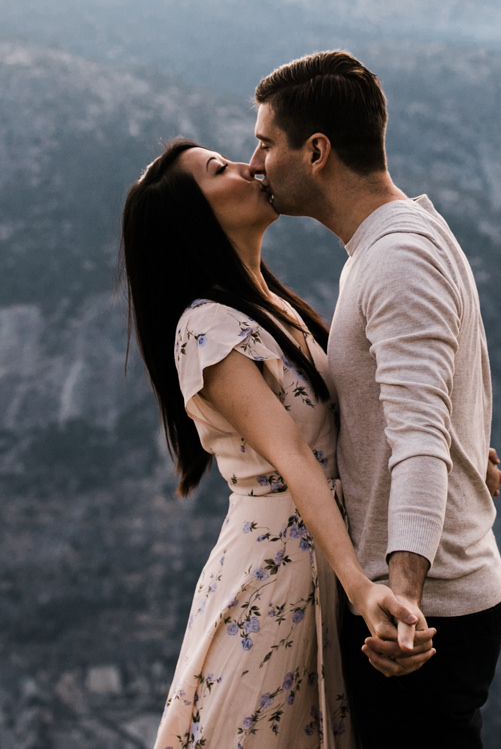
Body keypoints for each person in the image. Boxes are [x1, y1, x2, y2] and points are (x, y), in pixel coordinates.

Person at [123, 138, 428, 748]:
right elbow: (293, 458)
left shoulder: (272, 304)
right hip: (276, 574)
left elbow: (353, 422)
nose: (251, 165)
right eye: (221, 170)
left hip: (324, 556)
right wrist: (360, 586)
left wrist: (449, 459)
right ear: (196, 217)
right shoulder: (208, 330)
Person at [248, 51, 501, 749]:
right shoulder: (398, 238)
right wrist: (467, 452)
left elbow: (419, 436)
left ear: (317, 151)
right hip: (438, 601)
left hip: (430, 614)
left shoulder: (395, 256)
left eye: (266, 143)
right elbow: (438, 399)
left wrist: (403, 605)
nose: (256, 162)